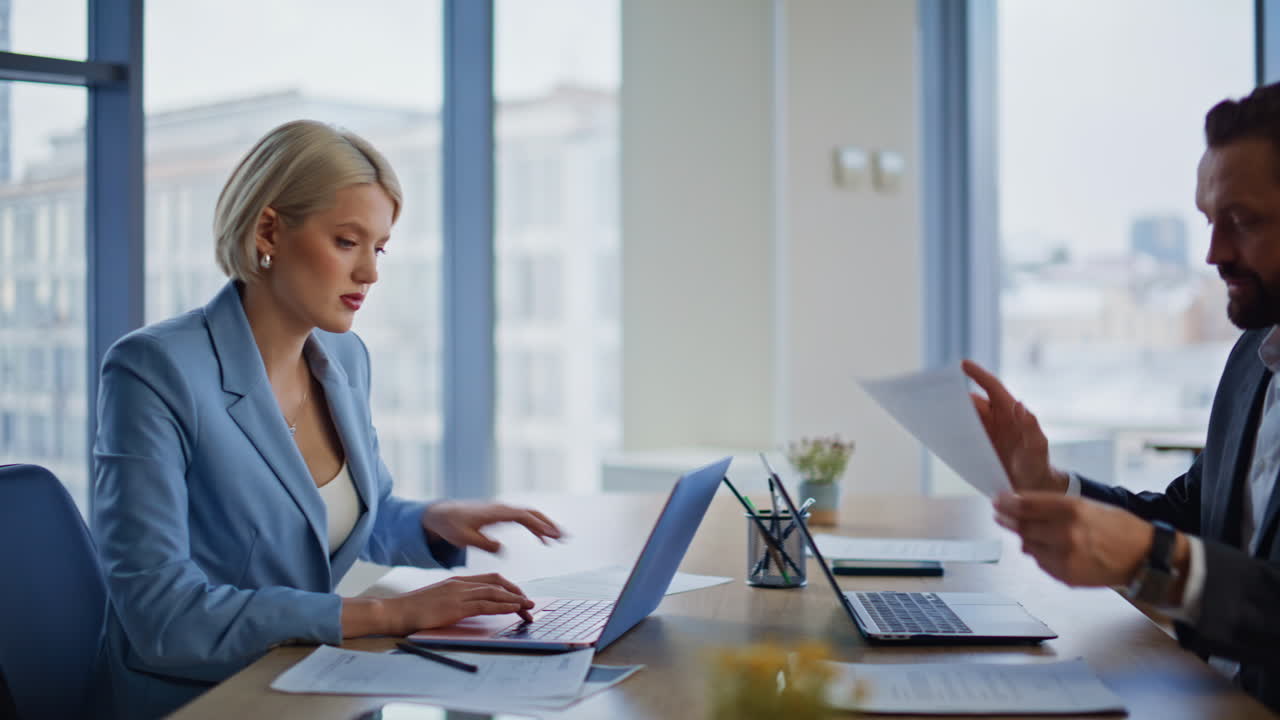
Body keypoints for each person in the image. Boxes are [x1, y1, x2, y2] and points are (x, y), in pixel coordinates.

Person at [92, 120, 563, 719]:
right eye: (347, 241)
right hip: (202, 700)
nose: (370, 273)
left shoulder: (343, 356)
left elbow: (333, 518)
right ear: (268, 230)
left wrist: (437, 522)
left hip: (309, 683)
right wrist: (385, 615)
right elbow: (160, 611)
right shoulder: (153, 369)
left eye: (379, 247)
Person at [964, 81, 1280, 713]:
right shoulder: (1254, 360)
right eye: (1208, 221)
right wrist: (1051, 485)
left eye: (1241, 222)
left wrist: (1154, 560)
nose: (1213, 253)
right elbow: (1193, 519)